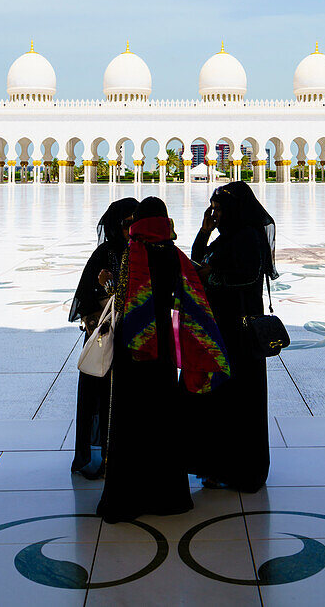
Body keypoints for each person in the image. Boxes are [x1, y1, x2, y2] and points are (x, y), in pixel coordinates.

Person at [97, 196, 230, 523]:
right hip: (165, 351)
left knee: (131, 422)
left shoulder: (133, 253)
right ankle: (168, 496)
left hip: (134, 351)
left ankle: (128, 497)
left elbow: (124, 300)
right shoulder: (174, 256)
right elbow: (194, 301)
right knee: (163, 419)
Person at [186, 181, 277, 492]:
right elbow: (198, 261)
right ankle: (219, 466)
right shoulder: (224, 239)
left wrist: (213, 277)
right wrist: (204, 231)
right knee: (221, 401)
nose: (216, 213)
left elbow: (248, 277)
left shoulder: (248, 238)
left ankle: (244, 470)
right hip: (221, 330)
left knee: (241, 402)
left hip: (239, 333)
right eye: (214, 208)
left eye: (220, 208)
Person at [68, 197, 139, 478]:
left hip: (132, 336)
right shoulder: (103, 254)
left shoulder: (141, 252)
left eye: (135, 223)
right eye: (125, 224)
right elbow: (85, 298)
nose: (130, 229)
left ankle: (125, 454)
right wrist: (94, 313)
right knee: (99, 396)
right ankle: (99, 457)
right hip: (106, 336)